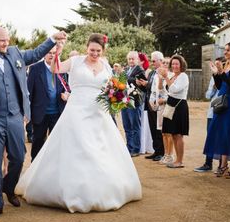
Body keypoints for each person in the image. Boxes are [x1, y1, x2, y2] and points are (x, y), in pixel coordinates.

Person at [15, 33, 142, 212]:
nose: (94, 53)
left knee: (102, 148)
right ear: (86, 48)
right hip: (77, 111)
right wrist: (58, 51)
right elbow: (55, 69)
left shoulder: (105, 64)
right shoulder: (75, 61)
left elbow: (111, 85)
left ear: (103, 51)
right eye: (92, 50)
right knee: (77, 147)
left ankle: (103, 188)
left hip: (99, 113)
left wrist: (115, 96)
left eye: (98, 51)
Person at [0, 27, 66, 219]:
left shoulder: (15, 53)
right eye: (2, 41)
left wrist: (52, 39)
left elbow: (36, 53)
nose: (6, 43)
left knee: (18, 157)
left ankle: (8, 187)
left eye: (7, 40)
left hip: (15, 116)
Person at [204, 42, 230, 178]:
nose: (225, 52)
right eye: (225, 50)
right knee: (221, 132)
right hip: (221, 101)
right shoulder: (226, 64)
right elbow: (219, 85)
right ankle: (223, 164)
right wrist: (216, 74)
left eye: (228, 50)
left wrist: (222, 73)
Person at [26, 47, 68, 160]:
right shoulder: (35, 68)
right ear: (44, 54)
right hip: (40, 113)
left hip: (58, 112)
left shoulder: (62, 69)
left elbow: (68, 87)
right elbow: (28, 91)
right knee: (38, 142)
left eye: (55, 53)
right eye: (49, 53)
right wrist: (27, 112)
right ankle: (34, 167)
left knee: (56, 143)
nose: (52, 55)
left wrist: (66, 94)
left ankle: (53, 168)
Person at [158, 55, 190, 168]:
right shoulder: (172, 76)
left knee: (178, 134)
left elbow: (174, 89)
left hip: (179, 107)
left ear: (181, 65)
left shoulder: (183, 76)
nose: (174, 66)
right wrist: (163, 78)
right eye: (173, 64)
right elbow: (164, 89)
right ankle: (176, 160)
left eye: (177, 63)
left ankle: (179, 161)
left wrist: (166, 77)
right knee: (172, 133)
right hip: (170, 105)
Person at [121, 51, 146, 156]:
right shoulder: (126, 70)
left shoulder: (140, 70)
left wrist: (125, 78)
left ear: (137, 60)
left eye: (133, 59)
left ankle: (136, 149)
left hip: (135, 101)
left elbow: (141, 83)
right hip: (124, 101)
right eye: (129, 59)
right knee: (126, 126)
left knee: (135, 126)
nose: (131, 60)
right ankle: (129, 147)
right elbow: (122, 81)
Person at [151, 57, 174, 165]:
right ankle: (165, 154)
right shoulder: (159, 76)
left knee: (169, 132)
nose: (164, 64)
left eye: (167, 63)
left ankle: (170, 155)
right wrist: (160, 78)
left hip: (168, 105)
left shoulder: (172, 75)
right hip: (160, 106)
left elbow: (173, 93)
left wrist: (163, 100)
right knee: (163, 132)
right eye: (163, 62)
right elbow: (159, 89)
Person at [142, 51, 165, 161]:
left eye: (154, 60)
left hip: (159, 104)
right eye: (151, 60)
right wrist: (145, 84)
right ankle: (156, 150)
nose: (152, 62)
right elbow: (150, 88)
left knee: (159, 129)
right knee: (152, 128)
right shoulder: (151, 73)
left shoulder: (164, 72)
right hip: (150, 104)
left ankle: (162, 152)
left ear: (161, 60)